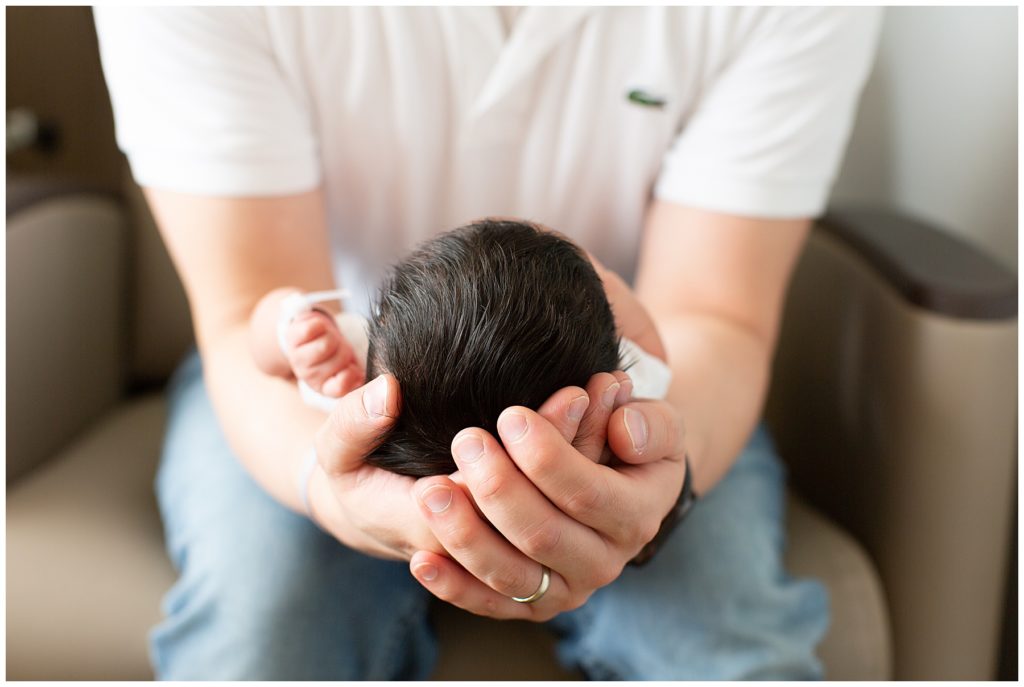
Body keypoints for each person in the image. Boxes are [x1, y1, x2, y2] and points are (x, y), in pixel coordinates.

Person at [94, 7, 882, 680]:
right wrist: (306, 380)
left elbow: (717, 318)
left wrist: (650, 479)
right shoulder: (354, 358)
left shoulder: (630, 386)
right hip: (312, 409)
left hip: (628, 409)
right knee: (259, 643)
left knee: (725, 652)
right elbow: (248, 320)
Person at [249, 218, 667, 477]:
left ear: (381, 325)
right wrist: (605, 278)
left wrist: (292, 326)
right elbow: (656, 358)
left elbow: (259, 351)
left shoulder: (358, 389)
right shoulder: (616, 404)